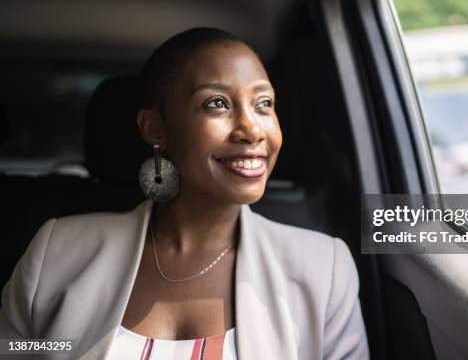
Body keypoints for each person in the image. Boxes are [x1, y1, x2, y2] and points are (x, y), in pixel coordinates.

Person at [0, 28, 370, 360]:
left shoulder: (324, 269)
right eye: (217, 104)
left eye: (264, 105)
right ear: (155, 129)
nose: (252, 129)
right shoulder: (56, 252)